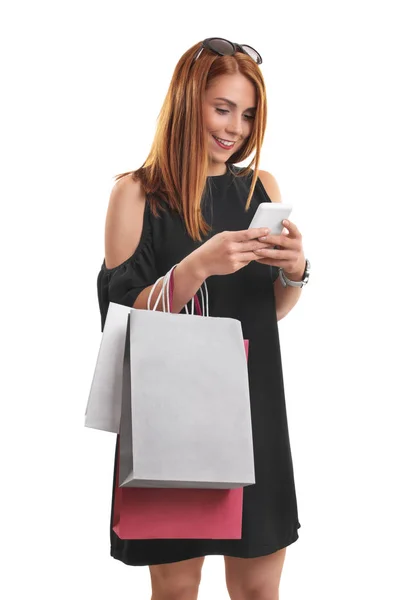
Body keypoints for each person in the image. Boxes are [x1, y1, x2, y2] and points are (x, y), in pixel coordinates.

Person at [97, 37, 309, 600]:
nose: (235, 128)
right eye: (223, 108)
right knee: (175, 591)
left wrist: (293, 272)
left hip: (253, 402)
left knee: (260, 591)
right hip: (172, 414)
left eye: (247, 114)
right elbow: (117, 317)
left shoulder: (261, 188)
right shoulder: (136, 194)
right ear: (188, 102)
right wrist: (196, 268)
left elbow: (266, 312)